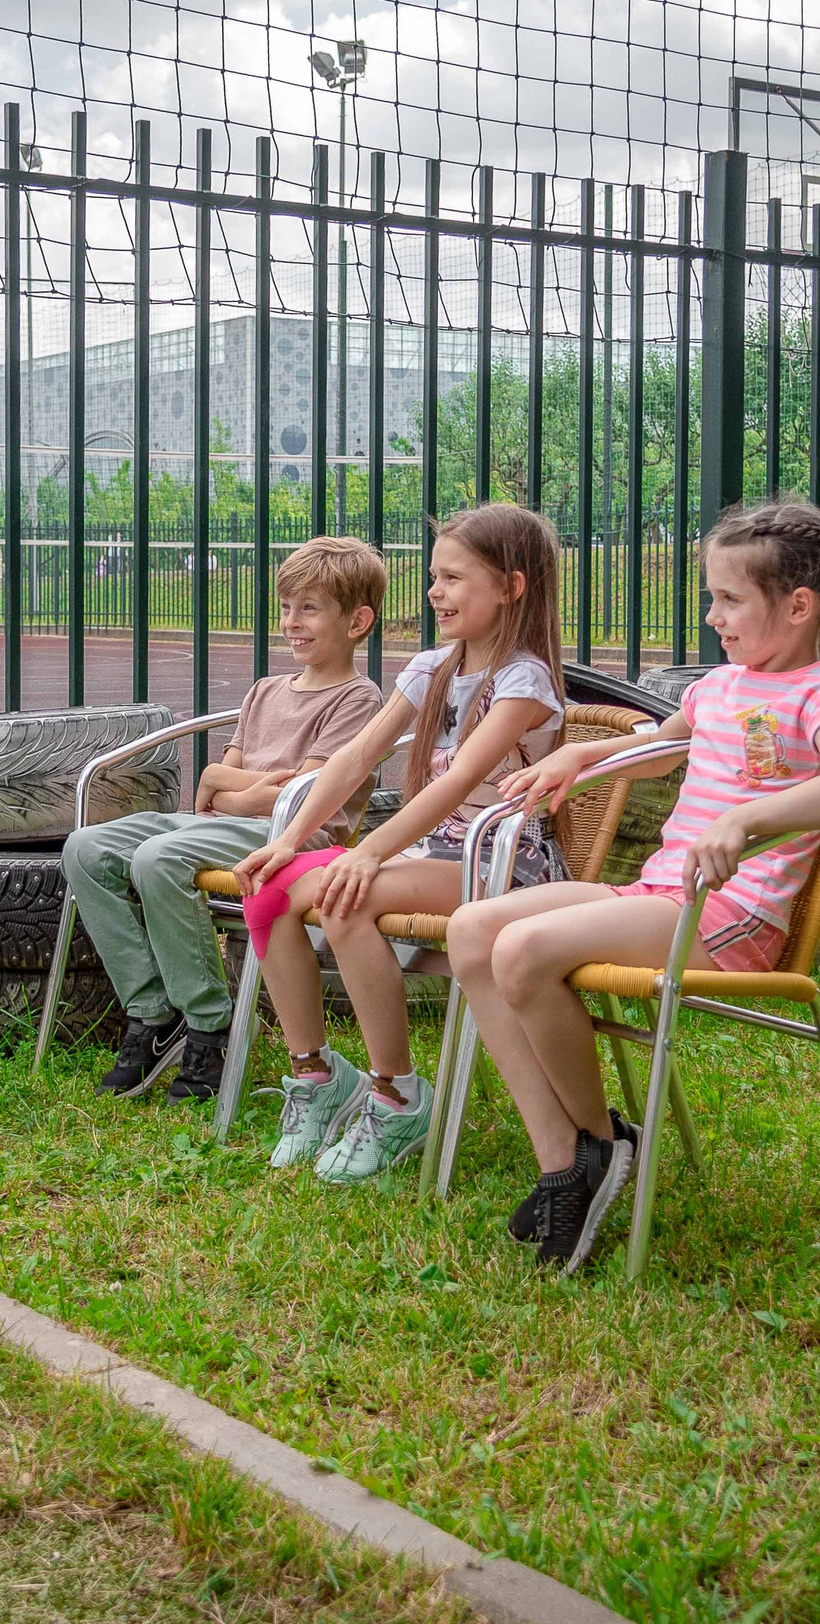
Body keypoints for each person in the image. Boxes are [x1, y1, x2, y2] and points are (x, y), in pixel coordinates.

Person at [446, 499, 820, 1272]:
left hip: (728, 922)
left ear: (797, 607)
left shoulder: (818, 695)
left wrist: (748, 822)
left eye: (728, 599)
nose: (712, 615)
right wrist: (578, 758)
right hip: (663, 899)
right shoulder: (719, 687)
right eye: (712, 597)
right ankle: (570, 1159)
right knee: (471, 930)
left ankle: (602, 1144)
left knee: (520, 949)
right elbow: (656, 750)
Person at [234, 505, 567, 1184]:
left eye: (452, 578)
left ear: (512, 586)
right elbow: (355, 757)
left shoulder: (523, 682)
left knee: (344, 895)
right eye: (433, 576)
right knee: (269, 890)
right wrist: (290, 838)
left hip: (503, 862)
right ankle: (317, 1074)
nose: (432, 591)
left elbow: (459, 784)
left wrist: (369, 851)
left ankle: (396, 1096)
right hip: (436, 853)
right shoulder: (432, 667)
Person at [60, 537, 387, 1104]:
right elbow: (228, 780)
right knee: (85, 849)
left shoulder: (358, 700)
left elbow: (291, 794)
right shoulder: (265, 690)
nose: (292, 622)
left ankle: (210, 1024)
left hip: (291, 839)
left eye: (309, 608)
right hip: (222, 829)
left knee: (157, 856)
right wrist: (229, 788)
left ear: (358, 621)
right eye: (287, 607)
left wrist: (222, 788)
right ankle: (152, 1014)